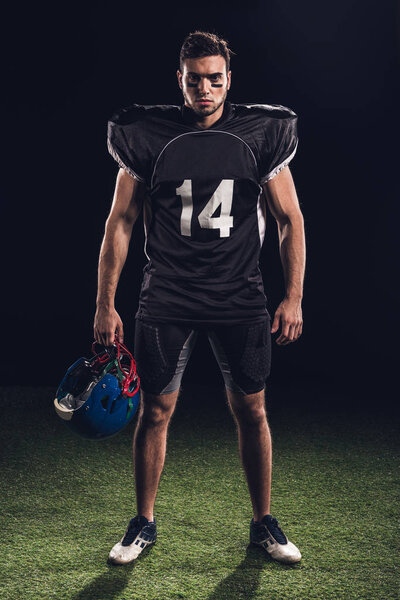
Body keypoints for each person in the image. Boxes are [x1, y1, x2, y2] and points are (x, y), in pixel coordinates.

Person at [94, 31, 306, 565]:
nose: (205, 89)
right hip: (168, 293)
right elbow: (120, 223)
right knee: (156, 409)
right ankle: (142, 523)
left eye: (215, 79)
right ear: (180, 80)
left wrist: (294, 296)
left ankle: (264, 524)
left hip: (239, 294)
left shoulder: (261, 133)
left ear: (229, 79)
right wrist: (105, 302)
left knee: (252, 410)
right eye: (195, 80)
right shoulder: (147, 134)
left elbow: (289, 220)